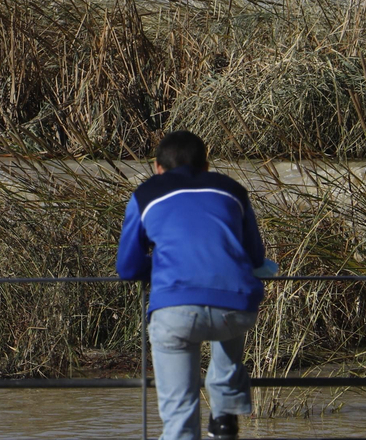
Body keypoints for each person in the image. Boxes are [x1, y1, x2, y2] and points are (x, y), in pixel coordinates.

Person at [116, 130, 278, 440]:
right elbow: (255, 255)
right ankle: (224, 414)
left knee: (180, 420)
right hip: (236, 310)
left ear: (156, 167)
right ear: (206, 166)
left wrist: (159, 265)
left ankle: (208, 420)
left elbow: (128, 267)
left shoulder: (146, 193)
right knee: (228, 310)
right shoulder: (232, 190)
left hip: (175, 312)